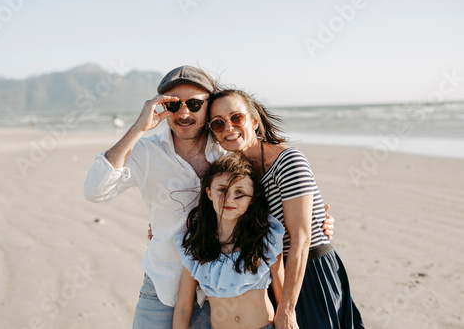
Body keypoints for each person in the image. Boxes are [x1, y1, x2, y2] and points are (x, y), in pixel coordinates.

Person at [83, 66, 334, 328]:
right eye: (173, 104)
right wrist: (138, 128)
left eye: (194, 104)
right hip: (163, 285)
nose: (184, 112)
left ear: (208, 108)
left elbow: (269, 204)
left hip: (223, 295)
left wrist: (320, 222)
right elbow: (94, 190)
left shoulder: (231, 152)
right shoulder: (146, 152)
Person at [207, 89, 365, 329]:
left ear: (254, 121)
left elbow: (301, 237)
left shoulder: (288, 161)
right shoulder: (238, 174)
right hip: (273, 275)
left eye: (236, 118)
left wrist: (287, 309)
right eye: (218, 123)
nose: (228, 127)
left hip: (308, 271)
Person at [173, 153, 284, 329]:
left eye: (240, 192)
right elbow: (183, 308)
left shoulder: (266, 238)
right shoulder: (197, 245)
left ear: (252, 198)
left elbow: (283, 296)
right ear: (209, 192)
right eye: (222, 190)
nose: (230, 199)